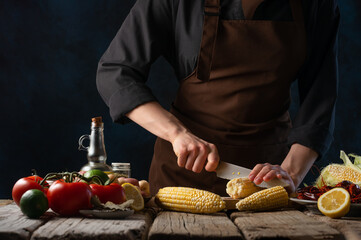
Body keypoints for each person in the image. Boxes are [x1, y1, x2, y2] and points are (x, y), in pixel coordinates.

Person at [96, 0, 339, 196]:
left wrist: (291, 174)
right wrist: (177, 134)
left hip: (267, 179)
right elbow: (116, 72)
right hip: (181, 174)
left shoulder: (317, 5)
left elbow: (321, 98)